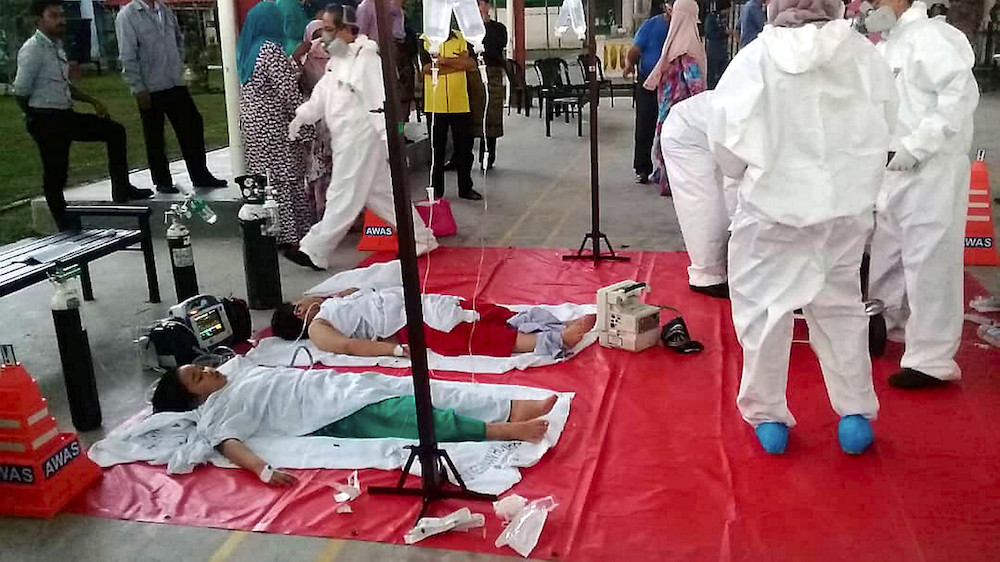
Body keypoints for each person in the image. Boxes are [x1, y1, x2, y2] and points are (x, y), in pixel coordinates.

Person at [708, 0, 898, 455]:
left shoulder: (754, 60)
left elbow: (726, 146)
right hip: (843, 214)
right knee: (840, 311)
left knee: (766, 316)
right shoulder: (864, 57)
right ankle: (854, 413)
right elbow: (888, 128)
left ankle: (768, 417)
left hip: (772, 213)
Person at [150, 362, 557, 485]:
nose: (208, 370)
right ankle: (501, 430)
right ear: (195, 399)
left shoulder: (237, 372)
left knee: (424, 388)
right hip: (332, 413)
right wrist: (263, 470)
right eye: (198, 377)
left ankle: (509, 407)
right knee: (412, 415)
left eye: (200, 367)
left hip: (339, 385)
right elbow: (228, 444)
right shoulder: (217, 412)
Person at [864, 0, 979, 389]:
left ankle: (931, 359)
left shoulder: (933, 38)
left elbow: (957, 97)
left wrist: (917, 147)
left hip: (931, 169)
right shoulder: (887, 46)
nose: (868, 6)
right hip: (891, 170)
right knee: (889, 253)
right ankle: (885, 325)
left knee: (930, 261)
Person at [287, 6, 439, 270]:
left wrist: (390, 141)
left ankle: (315, 250)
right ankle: (421, 238)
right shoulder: (337, 61)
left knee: (342, 195)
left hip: (361, 140)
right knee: (383, 195)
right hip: (346, 140)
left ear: (348, 30)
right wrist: (302, 116)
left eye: (330, 30)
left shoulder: (366, 60)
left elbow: (379, 105)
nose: (324, 36)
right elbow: (323, 94)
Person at [14, 0, 152, 229]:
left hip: (64, 115)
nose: (61, 20)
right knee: (56, 170)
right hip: (46, 118)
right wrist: (32, 115)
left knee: (115, 132)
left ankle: (122, 189)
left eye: (61, 15)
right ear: (38, 20)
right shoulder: (33, 49)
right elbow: (20, 91)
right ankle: (62, 220)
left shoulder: (55, 46)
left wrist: (92, 101)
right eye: (54, 16)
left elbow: (63, 85)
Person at [270, 287, 598, 358]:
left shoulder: (331, 303)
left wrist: (332, 295)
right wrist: (393, 351)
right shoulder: (318, 327)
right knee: (472, 334)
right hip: (409, 323)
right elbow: (346, 346)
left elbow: (355, 291)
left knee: (480, 311)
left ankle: (550, 324)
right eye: (303, 301)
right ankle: (554, 340)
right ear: (299, 312)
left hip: (419, 301)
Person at [115, 0, 227, 195]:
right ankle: (162, 180)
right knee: (155, 134)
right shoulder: (127, 16)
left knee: (192, 124)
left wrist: (177, 64)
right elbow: (127, 55)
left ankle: (200, 174)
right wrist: (137, 87)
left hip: (174, 81)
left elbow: (177, 40)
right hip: (150, 85)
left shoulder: (165, 11)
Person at [237, 2, 315, 254]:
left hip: (254, 125)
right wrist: (307, 125)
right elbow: (287, 92)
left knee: (266, 178)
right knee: (286, 177)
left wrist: (292, 63)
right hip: (275, 125)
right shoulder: (270, 49)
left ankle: (271, 231)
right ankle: (290, 235)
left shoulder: (248, 49)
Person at [659, 91, 736, 299]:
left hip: (712, 132)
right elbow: (737, 182)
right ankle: (707, 276)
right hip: (686, 136)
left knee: (721, 207)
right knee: (704, 205)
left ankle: (721, 269)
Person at [643, 0, 706, 196]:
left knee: (666, 143)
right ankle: (671, 184)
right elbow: (696, 86)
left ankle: (663, 177)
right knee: (682, 151)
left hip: (666, 110)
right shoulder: (688, 48)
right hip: (683, 115)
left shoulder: (671, 45)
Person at [421, 30, 482, 200]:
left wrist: (443, 61)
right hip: (435, 103)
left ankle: (465, 188)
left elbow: (470, 64)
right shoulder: (425, 40)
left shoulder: (462, 38)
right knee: (437, 150)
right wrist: (457, 63)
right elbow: (426, 69)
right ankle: (436, 190)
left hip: (460, 101)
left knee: (464, 148)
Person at [623, 2, 671, 184]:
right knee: (645, 124)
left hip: (672, 84)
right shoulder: (651, 25)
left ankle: (667, 169)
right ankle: (642, 168)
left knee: (670, 127)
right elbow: (635, 50)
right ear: (666, 6)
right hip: (648, 82)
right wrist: (629, 64)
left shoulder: (684, 27)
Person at [294, 10, 334, 221]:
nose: (320, 39)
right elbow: (295, 84)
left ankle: (334, 213)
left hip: (334, 121)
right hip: (315, 124)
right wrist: (298, 59)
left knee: (333, 167)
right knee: (316, 170)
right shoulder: (304, 59)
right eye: (315, 35)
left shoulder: (336, 58)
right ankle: (318, 212)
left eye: (323, 33)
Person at [467, 0, 507, 171]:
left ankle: (488, 156)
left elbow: (494, 48)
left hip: (492, 73)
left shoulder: (498, 28)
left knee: (491, 115)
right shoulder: (467, 28)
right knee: (471, 115)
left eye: (481, 4)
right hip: (472, 73)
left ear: (487, 6)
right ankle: (464, 157)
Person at [703, 1, 731, 89]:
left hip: (722, 48)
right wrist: (723, 32)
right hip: (713, 48)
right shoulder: (711, 18)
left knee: (722, 70)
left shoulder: (721, 18)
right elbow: (710, 33)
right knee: (712, 72)